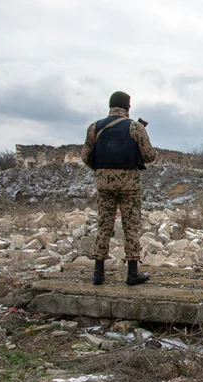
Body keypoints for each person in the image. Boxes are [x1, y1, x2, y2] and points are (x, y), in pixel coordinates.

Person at [81, 91, 156, 286]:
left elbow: (85, 157)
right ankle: (132, 274)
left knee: (104, 225)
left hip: (104, 185)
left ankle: (98, 274)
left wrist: (102, 171)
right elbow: (149, 156)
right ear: (128, 107)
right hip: (130, 185)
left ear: (110, 105)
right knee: (131, 226)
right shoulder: (135, 127)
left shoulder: (94, 127)